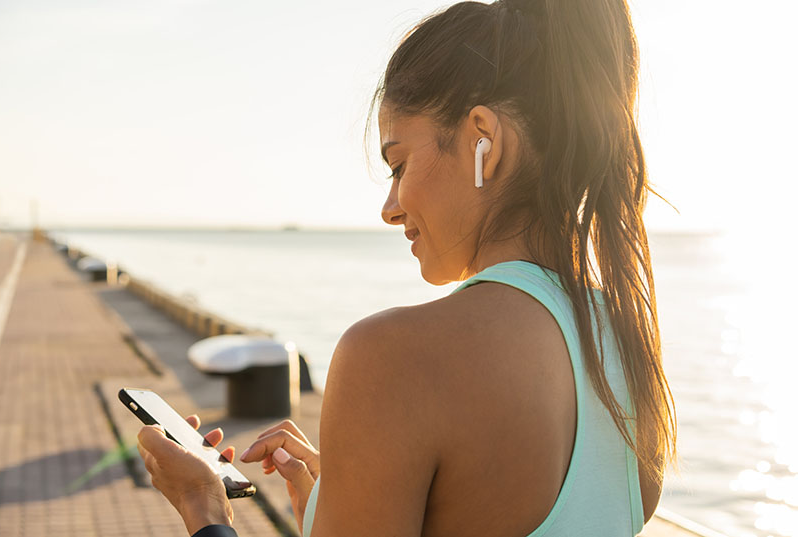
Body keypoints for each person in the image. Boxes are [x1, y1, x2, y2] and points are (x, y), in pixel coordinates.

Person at [137, 0, 676, 535]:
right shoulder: (627, 346)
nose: (389, 207)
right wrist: (347, 501)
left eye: (399, 166)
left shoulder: (391, 358)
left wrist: (203, 509)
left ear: (482, 139)